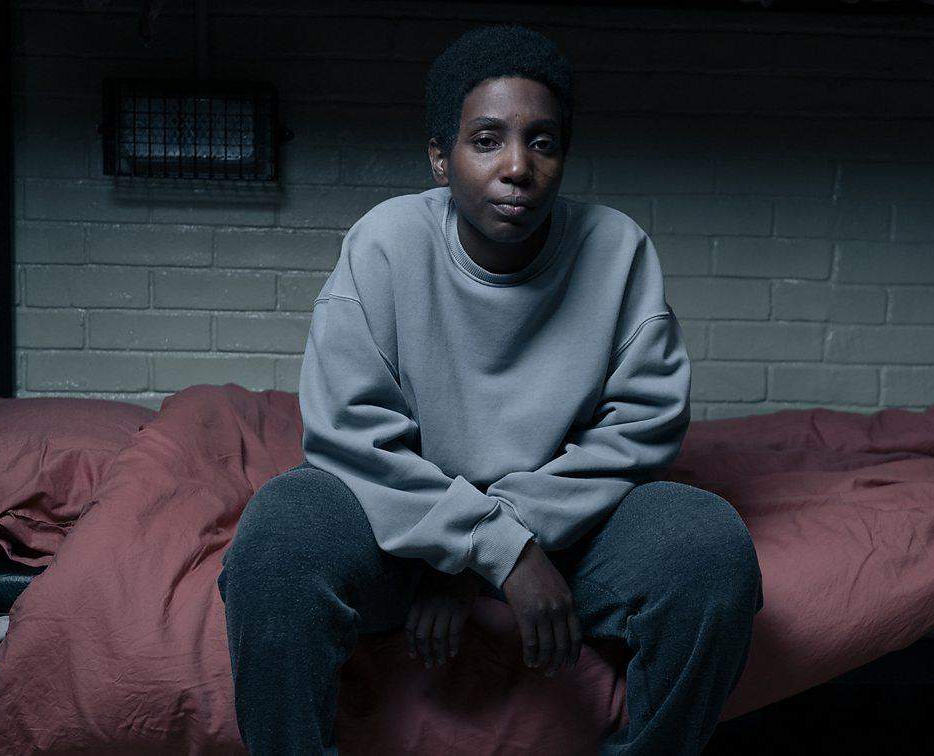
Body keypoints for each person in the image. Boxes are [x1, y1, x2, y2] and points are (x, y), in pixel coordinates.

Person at [216, 23, 764, 756]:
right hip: (399, 536)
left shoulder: (617, 250)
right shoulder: (385, 244)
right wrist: (492, 550)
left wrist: (500, 547)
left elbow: (642, 430)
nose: (517, 167)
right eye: (485, 141)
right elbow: (351, 439)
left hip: (562, 537)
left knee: (709, 546)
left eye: (542, 142)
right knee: (279, 534)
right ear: (440, 158)